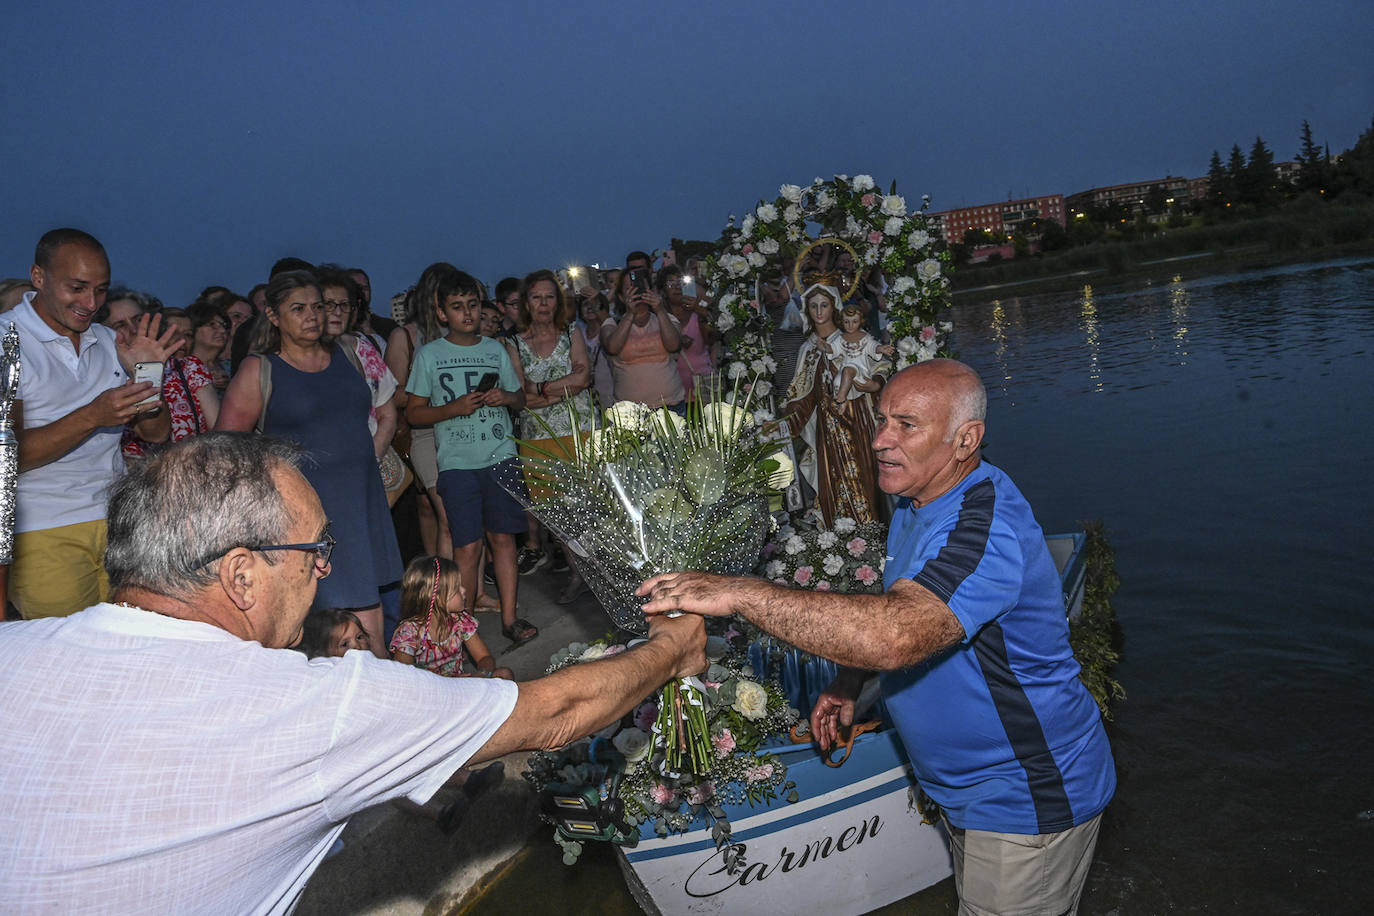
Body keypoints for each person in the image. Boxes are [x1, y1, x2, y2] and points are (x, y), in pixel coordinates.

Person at [0, 433, 706, 912]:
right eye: (315, 549)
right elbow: (554, 714)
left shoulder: (15, 650)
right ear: (241, 575)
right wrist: (673, 647)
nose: (325, 569)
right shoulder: (308, 708)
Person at [640, 360, 1115, 916]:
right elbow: (895, 609)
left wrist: (741, 594)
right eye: (881, 419)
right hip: (967, 792)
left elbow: (898, 634)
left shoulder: (984, 525)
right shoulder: (918, 499)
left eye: (906, 425)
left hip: (1022, 795)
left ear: (966, 439)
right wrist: (849, 679)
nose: (881, 440)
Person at [217, 270, 402, 656]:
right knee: (324, 625)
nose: (312, 316)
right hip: (307, 512)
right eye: (298, 308)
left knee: (371, 618)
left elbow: (381, 412)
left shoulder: (349, 353)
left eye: (318, 306)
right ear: (273, 315)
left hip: (361, 499)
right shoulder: (260, 369)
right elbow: (226, 450)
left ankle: (387, 690)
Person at [10, 228, 176, 619]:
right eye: (78, 288)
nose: (91, 303)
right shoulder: (7, 341)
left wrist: (148, 374)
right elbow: (9, 455)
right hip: (40, 527)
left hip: (118, 522)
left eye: (101, 290)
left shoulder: (106, 339)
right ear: (39, 277)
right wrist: (92, 416)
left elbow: (156, 433)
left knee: (131, 646)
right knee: (64, 657)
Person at [404, 269, 537, 649]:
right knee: (467, 545)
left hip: (500, 455)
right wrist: (454, 408)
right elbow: (414, 413)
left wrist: (505, 398)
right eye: (457, 307)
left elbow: (520, 397)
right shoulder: (430, 356)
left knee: (504, 540)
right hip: (458, 463)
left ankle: (510, 619)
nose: (467, 313)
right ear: (442, 312)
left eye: (473, 305)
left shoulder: (495, 349)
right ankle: (466, 630)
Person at [778, 278, 884, 525]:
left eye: (824, 305)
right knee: (835, 486)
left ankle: (872, 533)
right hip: (828, 431)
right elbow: (802, 397)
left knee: (866, 481)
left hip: (858, 421)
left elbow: (879, 365)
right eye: (813, 306)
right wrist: (784, 423)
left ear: (834, 307)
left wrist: (874, 384)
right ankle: (843, 539)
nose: (819, 312)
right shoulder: (808, 349)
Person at [390, 555, 512, 679]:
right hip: (430, 691)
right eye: (456, 588)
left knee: (504, 674)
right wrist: (451, 683)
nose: (464, 590)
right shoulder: (409, 632)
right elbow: (405, 679)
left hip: (460, 685)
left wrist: (483, 674)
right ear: (437, 598)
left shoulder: (460, 620)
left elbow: (484, 657)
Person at [601, 268, 684, 411]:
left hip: (670, 405)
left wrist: (659, 310)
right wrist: (630, 314)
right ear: (621, 296)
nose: (636, 292)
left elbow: (674, 345)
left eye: (640, 288)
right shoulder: (611, 324)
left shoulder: (666, 319)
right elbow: (612, 348)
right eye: (629, 289)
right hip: (629, 410)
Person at [658, 264, 715, 402]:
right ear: (663, 291)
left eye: (681, 283)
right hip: (672, 391)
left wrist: (701, 311)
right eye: (671, 283)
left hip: (702, 386)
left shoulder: (698, 314)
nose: (677, 287)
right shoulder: (660, 318)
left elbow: (711, 339)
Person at [832, 303, 894, 406]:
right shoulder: (840, 339)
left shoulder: (864, 337)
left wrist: (880, 349)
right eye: (847, 322)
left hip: (859, 371)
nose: (850, 325)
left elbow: (872, 347)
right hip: (843, 373)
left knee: (848, 371)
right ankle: (842, 403)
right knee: (837, 383)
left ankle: (840, 400)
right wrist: (826, 347)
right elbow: (833, 349)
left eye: (854, 321)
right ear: (842, 322)